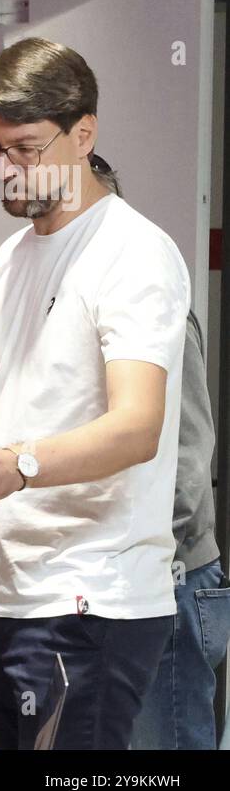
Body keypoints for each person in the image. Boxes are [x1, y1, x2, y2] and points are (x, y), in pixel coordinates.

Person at [0, 37, 188, 749]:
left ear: (84, 134)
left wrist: (22, 464)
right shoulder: (11, 259)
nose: (3, 170)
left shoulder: (134, 253)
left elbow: (137, 428)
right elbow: (10, 421)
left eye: (25, 148)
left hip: (95, 600)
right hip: (9, 591)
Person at [130, 309, 230, 749]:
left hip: (172, 579)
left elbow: (187, 465)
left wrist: (127, 561)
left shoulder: (154, 302)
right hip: (123, 585)